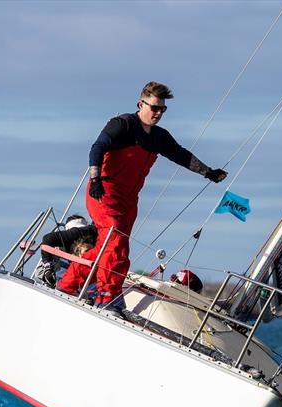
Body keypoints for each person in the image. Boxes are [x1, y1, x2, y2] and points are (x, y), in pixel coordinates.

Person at [58, 82, 227, 307]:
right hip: (104, 192)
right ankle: (107, 298)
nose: (158, 113)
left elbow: (181, 156)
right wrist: (96, 179)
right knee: (116, 244)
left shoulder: (159, 137)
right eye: (154, 108)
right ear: (141, 104)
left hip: (129, 200)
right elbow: (97, 147)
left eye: (162, 110)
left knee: (106, 250)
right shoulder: (123, 125)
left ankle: (67, 285)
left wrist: (208, 172)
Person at [35, 215, 98, 287]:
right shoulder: (56, 249)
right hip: (55, 285)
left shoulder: (93, 243)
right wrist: (48, 270)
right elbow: (48, 239)